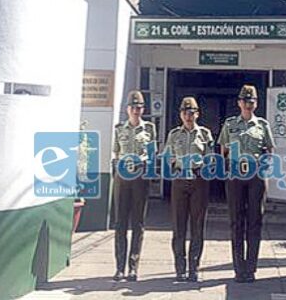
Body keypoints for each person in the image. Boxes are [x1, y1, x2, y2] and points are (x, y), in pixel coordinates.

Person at [218, 85, 275, 283]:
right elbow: (223, 150)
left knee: (254, 221)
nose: (248, 105)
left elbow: (269, 150)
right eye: (245, 101)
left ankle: (250, 268)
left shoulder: (262, 125)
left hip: (256, 177)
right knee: (236, 221)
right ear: (239, 103)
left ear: (256, 104)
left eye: (252, 102)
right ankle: (238, 268)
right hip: (235, 175)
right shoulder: (230, 124)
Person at [163, 97, 213, 283]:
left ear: (197, 114)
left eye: (192, 112)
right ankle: (180, 268)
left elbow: (210, 157)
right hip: (179, 180)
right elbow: (168, 156)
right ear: (181, 114)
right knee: (178, 226)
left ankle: (194, 268)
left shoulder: (205, 134)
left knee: (197, 226)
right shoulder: (174, 134)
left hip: (199, 180)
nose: (188, 116)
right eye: (185, 112)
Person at [111, 90, 157, 282]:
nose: (137, 110)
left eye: (140, 107)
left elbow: (153, 153)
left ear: (143, 109)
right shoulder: (119, 129)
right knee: (120, 223)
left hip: (140, 176)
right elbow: (115, 152)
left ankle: (133, 267)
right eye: (133, 107)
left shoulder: (149, 129)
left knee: (138, 223)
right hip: (122, 177)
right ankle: (119, 267)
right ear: (127, 109)